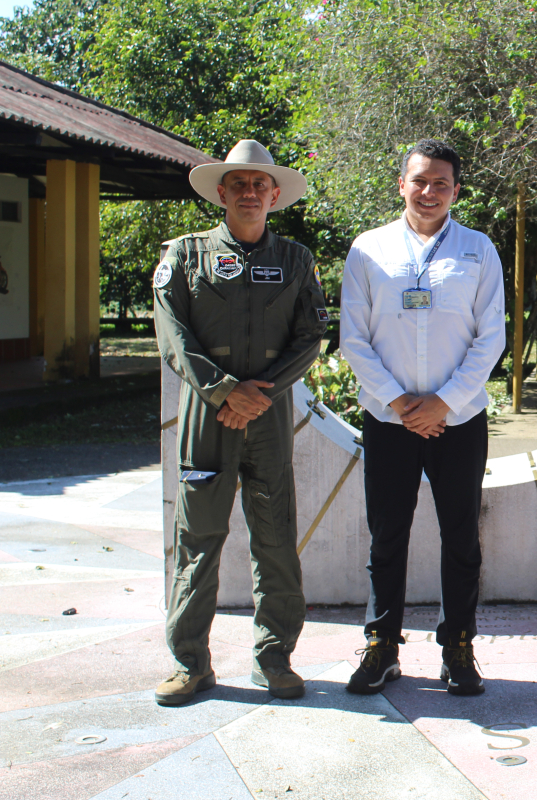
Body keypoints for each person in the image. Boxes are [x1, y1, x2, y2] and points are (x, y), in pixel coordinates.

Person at [153, 140, 326, 705]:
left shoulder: (297, 260)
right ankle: (190, 663)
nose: (249, 193)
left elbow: (310, 338)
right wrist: (225, 391)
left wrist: (260, 394)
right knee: (198, 540)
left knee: (275, 539)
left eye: (260, 185)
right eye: (239, 184)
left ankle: (274, 658)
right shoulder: (185, 256)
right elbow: (174, 334)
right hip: (208, 419)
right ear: (221, 193)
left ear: (274, 195)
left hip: (268, 420)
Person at [340, 139, 505, 696]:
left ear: (456, 190)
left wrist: (444, 403)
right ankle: (381, 644)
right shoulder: (368, 250)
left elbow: (490, 340)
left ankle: (458, 645)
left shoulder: (480, 251)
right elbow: (353, 339)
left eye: (441, 183)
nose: (429, 192)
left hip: (458, 422)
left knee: (461, 536)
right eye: (420, 181)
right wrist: (398, 403)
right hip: (389, 422)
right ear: (401, 184)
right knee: (387, 534)